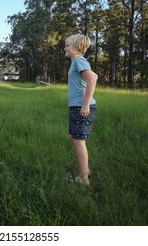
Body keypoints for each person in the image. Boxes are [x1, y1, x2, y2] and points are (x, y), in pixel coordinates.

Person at [64, 34, 98, 185]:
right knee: (74, 138)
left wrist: (85, 105)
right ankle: (86, 171)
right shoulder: (76, 62)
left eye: (67, 45)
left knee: (79, 141)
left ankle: (83, 178)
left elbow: (93, 78)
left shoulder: (79, 61)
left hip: (82, 106)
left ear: (77, 48)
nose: (64, 48)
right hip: (76, 106)